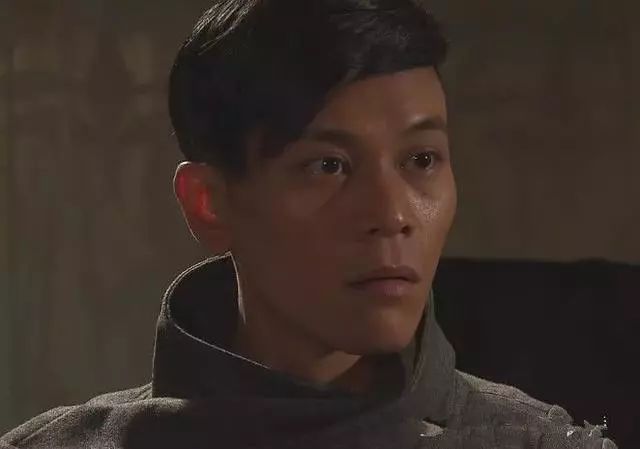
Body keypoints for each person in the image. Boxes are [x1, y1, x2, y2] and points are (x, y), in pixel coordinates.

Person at [1, 0, 618, 448]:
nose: (392, 214)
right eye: (328, 165)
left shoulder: (536, 441)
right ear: (209, 203)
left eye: (421, 160)